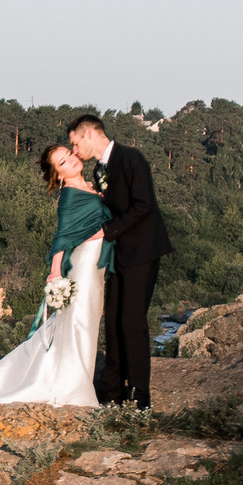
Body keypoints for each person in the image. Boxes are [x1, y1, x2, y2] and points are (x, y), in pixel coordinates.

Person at [0, 144, 113, 427]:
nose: (72, 160)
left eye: (70, 155)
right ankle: (74, 389)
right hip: (84, 265)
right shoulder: (69, 196)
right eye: (63, 162)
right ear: (58, 175)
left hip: (95, 264)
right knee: (80, 322)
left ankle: (77, 380)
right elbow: (61, 238)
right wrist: (54, 273)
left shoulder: (90, 186)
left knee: (84, 322)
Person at [67, 113, 175, 409]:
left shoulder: (130, 157)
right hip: (117, 256)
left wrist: (106, 230)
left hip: (142, 252)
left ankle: (140, 397)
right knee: (113, 321)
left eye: (75, 144)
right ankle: (111, 392)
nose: (76, 152)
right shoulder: (100, 169)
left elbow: (143, 206)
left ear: (89, 133)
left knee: (132, 322)